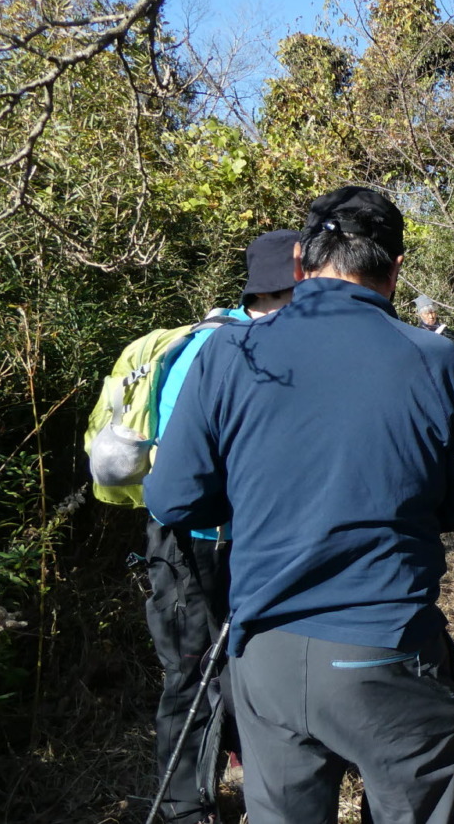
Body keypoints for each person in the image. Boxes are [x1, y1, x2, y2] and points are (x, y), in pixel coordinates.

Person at [146, 186, 454, 824]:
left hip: (268, 654)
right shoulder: (433, 356)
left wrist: (259, 498)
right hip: (388, 646)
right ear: (396, 269)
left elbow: (174, 500)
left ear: (299, 263)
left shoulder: (231, 353)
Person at [144, 228, 297, 824]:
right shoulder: (224, 348)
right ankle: (185, 808)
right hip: (196, 539)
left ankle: (242, 775)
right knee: (192, 673)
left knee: (230, 666)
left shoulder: (233, 339)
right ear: (284, 291)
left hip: (218, 535)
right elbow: (187, 471)